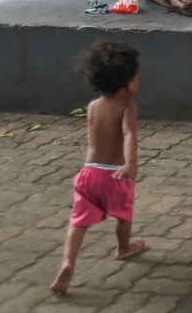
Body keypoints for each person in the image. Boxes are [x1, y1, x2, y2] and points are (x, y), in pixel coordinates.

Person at [51, 41, 145, 295]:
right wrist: (130, 163)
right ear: (127, 85)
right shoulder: (128, 107)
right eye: (136, 78)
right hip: (114, 175)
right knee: (123, 216)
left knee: (78, 222)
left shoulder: (92, 106)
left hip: (88, 174)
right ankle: (124, 248)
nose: (138, 82)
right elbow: (128, 135)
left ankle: (68, 261)